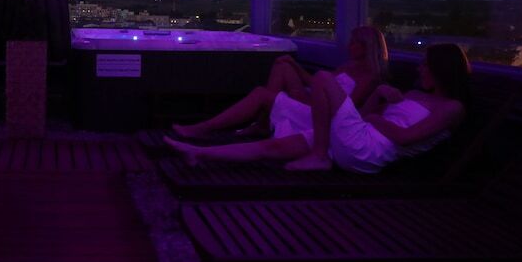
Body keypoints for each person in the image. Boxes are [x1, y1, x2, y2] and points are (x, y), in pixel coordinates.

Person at [164, 43, 470, 174]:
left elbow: (404, 138)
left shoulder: (452, 108)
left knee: (323, 77)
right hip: (357, 135)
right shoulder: (415, 93)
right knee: (271, 148)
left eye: (426, 65)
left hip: (368, 151)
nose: (420, 70)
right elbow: (366, 115)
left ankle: (319, 156)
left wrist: (377, 118)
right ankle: (198, 152)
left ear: (442, 70)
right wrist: (379, 95)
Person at [172, 26, 388, 140]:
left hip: (322, 115)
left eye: (355, 43)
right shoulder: (349, 66)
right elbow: (319, 83)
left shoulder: (370, 77)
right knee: (282, 64)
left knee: (261, 93)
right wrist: (295, 67)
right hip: (315, 101)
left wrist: (310, 95)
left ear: (367, 47)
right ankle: (263, 123)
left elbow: (346, 109)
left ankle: (203, 128)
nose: (349, 46)